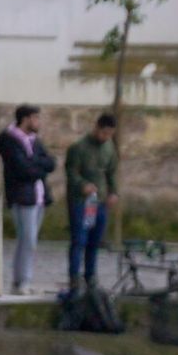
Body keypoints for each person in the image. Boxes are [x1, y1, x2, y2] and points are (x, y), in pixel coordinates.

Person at [0, 103, 55, 297]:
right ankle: (21, 281)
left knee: (31, 240)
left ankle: (22, 280)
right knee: (27, 239)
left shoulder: (34, 140)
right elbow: (22, 169)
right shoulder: (9, 140)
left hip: (38, 195)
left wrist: (35, 164)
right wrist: (38, 166)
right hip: (22, 196)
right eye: (36, 118)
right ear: (26, 119)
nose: (39, 122)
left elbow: (51, 162)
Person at [65, 112, 119, 294]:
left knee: (95, 241)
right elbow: (71, 173)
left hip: (100, 202)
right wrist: (83, 185)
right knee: (79, 239)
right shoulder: (78, 148)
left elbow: (112, 173)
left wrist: (113, 192)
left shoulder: (110, 148)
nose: (106, 137)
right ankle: (74, 276)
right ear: (96, 128)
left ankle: (91, 276)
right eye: (104, 133)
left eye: (110, 134)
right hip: (82, 201)